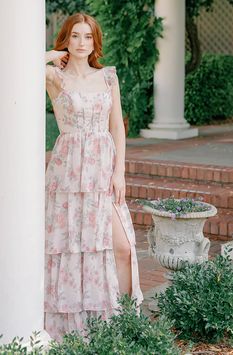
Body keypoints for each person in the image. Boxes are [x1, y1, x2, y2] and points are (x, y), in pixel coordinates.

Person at [45, 12, 143, 342]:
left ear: (95, 41)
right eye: (75, 36)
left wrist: (120, 173)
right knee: (73, 249)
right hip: (69, 173)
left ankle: (127, 323)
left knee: (122, 247)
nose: (82, 43)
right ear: (66, 39)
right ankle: (76, 331)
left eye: (88, 37)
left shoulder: (108, 77)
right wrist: (50, 56)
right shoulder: (53, 78)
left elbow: (117, 127)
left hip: (103, 170)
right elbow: (13, 67)